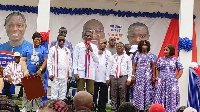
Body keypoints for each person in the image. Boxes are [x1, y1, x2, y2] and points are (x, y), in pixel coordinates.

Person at [20, 32, 48, 112]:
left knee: (37, 91)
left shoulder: (43, 49)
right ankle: (26, 107)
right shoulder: (27, 49)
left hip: (39, 73)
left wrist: (40, 70)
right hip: (28, 73)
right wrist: (25, 71)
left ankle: (37, 108)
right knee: (27, 91)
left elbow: (45, 61)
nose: (38, 41)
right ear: (33, 40)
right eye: (36, 40)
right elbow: (22, 60)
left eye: (39, 40)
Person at [154, 45, 184, 112]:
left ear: (171, 51)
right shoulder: (160, 59)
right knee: (160, 95)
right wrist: (158, 78)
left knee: (171, 96)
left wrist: (176, 79)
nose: (165, 51)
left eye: (166, 50)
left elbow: (181, 70)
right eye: (164, 50)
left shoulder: (175, 60)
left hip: (171, 82)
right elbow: (157, 69)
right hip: (161, 81)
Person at [130, 40, 155, 111]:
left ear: (148, 46)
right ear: (140, 46)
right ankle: (138, 107)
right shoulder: (137, 54)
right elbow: (134, 65)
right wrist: (133, 75)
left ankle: (147, 108)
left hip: (148, 76)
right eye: (143, 45)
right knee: (138, 91)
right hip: (139, 75)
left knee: (148, 91)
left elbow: (153, 66)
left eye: (146, 45)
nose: (144, 47)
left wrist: (153, 76)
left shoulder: (150, 55)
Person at [106, 42, 132, 111]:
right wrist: (107, 78)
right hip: (113, 77)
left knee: (122, 95)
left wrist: (129, 79)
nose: (119, 47)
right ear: (116, 48)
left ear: (123, 48)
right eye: (118, 46)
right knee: (113, 94)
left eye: (121, 46)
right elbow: (109, 68)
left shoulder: (127, 57)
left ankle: (122, 109)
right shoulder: (112, 57)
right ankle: (113, 109)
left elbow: (129, 69)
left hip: (123, 78)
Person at [47, 34, 73, 100]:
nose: (61, 42)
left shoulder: (67, 50)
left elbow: (70, 63)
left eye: (63, 40)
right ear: (57, 41)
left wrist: (70, 74)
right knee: (54, 95)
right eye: (60, 40)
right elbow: (49, 62)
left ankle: (61, 109)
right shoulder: (53, 49)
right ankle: (53, 109)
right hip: (55, 76)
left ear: (65, 41)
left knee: (63, 95)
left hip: (64, 76)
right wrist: (50, 73)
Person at [73, 30, 99, 95]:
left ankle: (88, 105)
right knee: (80, 91)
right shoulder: (79, 46)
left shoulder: (94, 47)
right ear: (84, 36)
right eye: (87, 36)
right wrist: (75, 72)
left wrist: (91, 51)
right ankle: (79, 105)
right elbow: (75, 59)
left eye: (90, 36)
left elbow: (97, 60)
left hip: (90, 72)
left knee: (90, 92)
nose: (89, 37)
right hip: (81, 71)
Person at [93, 39, 112, 112]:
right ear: (98, 44)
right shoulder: (94, 52)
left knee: (103, 95)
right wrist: (97, 53)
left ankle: (102, 109)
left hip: (104, 78)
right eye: (101, 43)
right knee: (94, 95)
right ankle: (93, 108)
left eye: (105, 43)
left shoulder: (109, 53)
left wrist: (108, 78)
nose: (103, 44)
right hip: (95, 77)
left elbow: (109, 66)